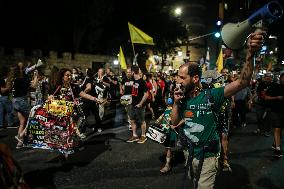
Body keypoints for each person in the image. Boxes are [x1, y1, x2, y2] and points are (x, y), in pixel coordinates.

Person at [171, 31, 264, 188]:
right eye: (177, 76)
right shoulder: (181, 97)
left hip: (208, 157)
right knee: (194, 184)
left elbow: (243, 81)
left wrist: (250, 54)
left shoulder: (212, 95)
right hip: (189, 153)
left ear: (195, 79)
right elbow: (174, 123)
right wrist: (175, 103)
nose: (177, 80)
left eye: (181, 77)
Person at [126, 65, 148, 144]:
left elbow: (146, 94)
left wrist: (140, 103)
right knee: (132, 120)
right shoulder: (132, 80)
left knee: (142, 121)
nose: (128, 73)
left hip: (140, 105)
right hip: (132, 104)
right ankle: (134, 135)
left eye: (130, 72)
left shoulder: (142, 82)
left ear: (132, 72)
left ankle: (143, 136)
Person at [264, 73, 284, 158]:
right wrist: (276, 98)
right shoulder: (274, 87)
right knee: (277, 129)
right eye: (283, 78)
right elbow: (266, 97)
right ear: (280, 78)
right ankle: (278, 149)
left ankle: (275, 143)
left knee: (280, 130)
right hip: (275, 111)